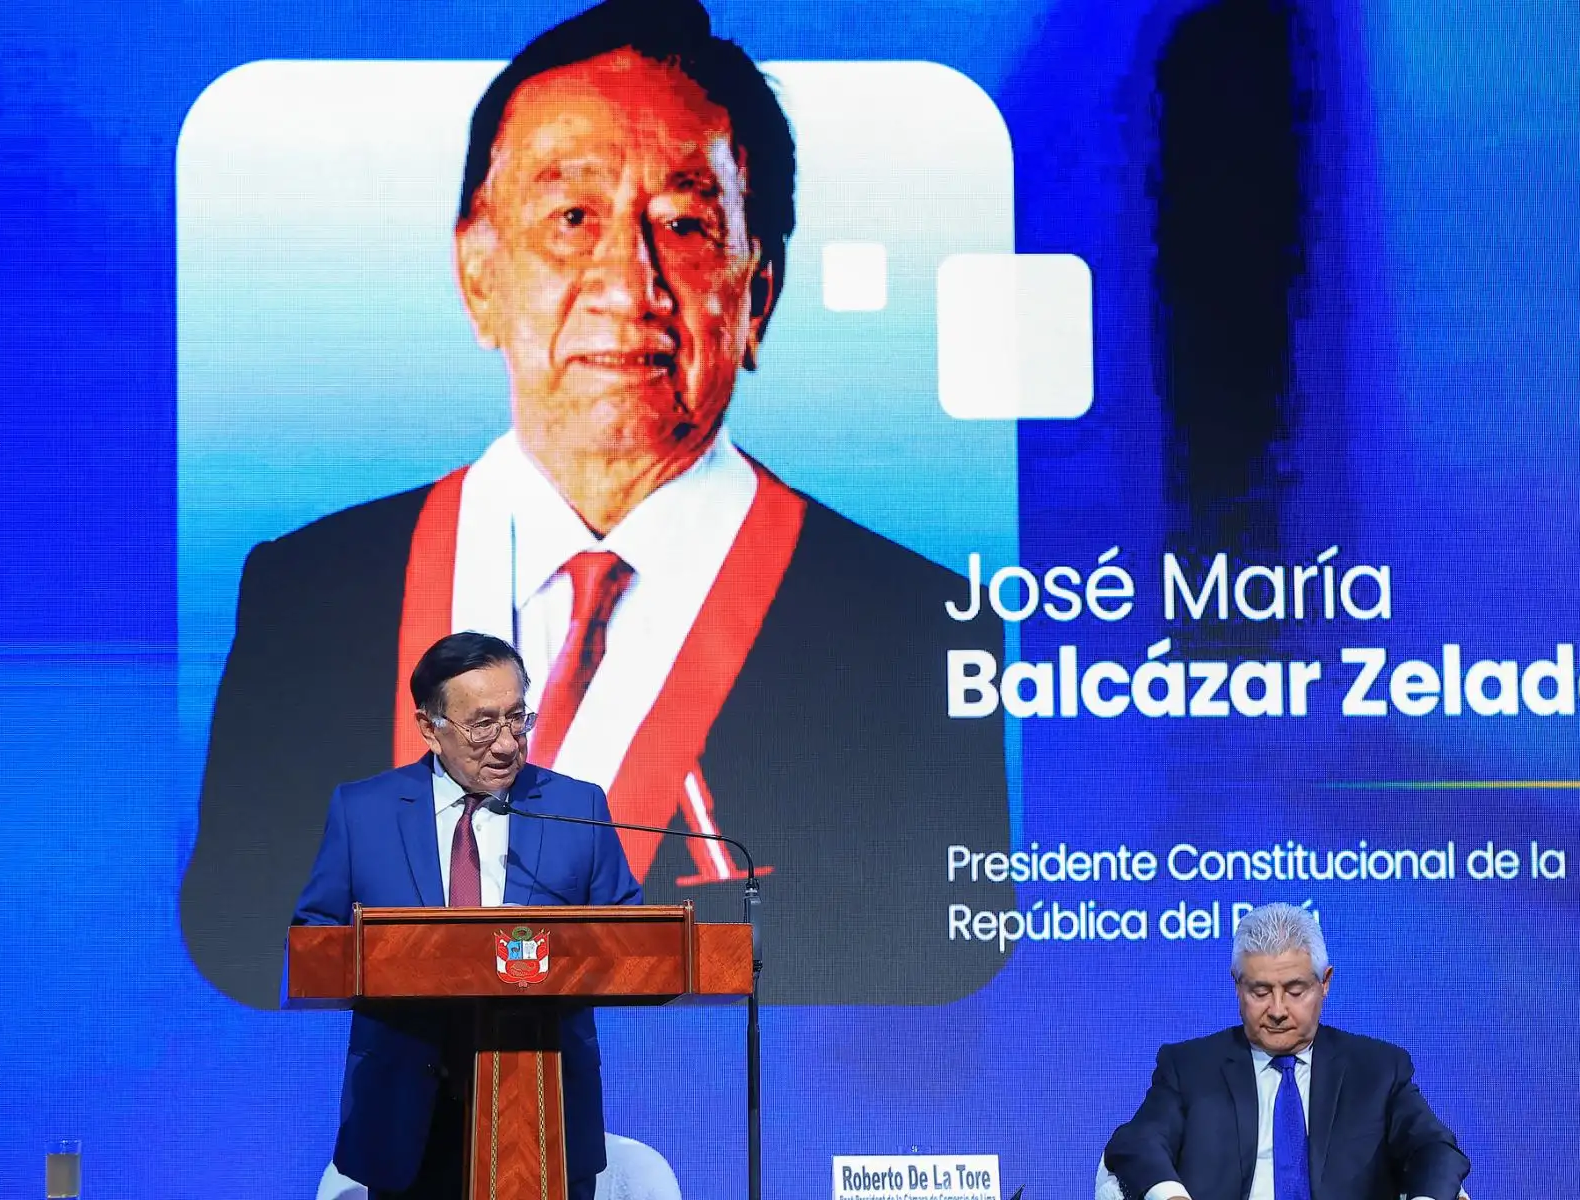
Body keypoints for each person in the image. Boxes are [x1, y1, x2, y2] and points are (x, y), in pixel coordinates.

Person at [180, 0, 1012, 1012]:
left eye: (687, 224)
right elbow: (231, 952)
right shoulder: (309, 592)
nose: (628, 281)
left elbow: (934, 980)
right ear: (477, 272)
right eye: (572, 219)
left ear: (759, 293)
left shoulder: (911, 626)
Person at [294, 632, 644, 1200]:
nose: (507, 745)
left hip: (543, 1105)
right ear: (430, 727)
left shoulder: (576, 807)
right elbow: (316, 940)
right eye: (483, 724)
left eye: (517, 719)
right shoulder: (364, 811)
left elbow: (634, 940)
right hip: (408, 1109)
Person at [1104, 904, 1469, 1200]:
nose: (1277, 1010)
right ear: (1237, 986)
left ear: (1324, 983)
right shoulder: (1189, 1068)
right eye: (1260, 992)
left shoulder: (1377, 1070)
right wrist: (1171, 1198)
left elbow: (1435, 1148)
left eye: (1294, 991)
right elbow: (1138, 1141)